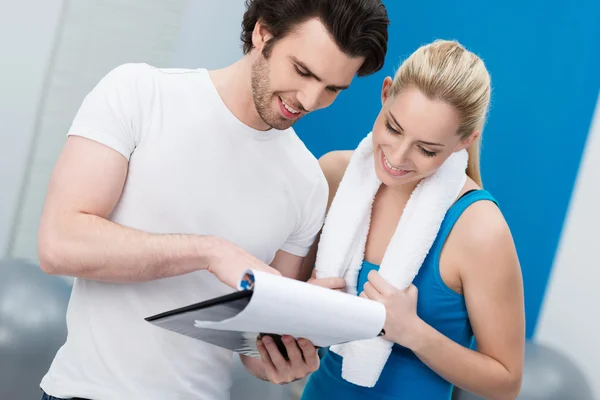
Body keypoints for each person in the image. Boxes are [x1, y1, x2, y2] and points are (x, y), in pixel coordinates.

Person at [36, 1, 390, 399]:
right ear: (262, 32)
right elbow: (59, 243)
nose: (309, 100)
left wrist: (289, 349)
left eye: (332, 89)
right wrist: (210, 252)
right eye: (303, 72)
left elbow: (254, 349)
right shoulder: (140, 93)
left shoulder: (307, 183)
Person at [299, 40, 525, 400]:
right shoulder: (335, 176)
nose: (397, 157)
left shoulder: (479, 229)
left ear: (464, 141)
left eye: (426, 149)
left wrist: (411, 331)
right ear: (385, 93)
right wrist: (303, 306)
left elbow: (506, 383)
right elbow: (280, 304)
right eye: (393, 127)